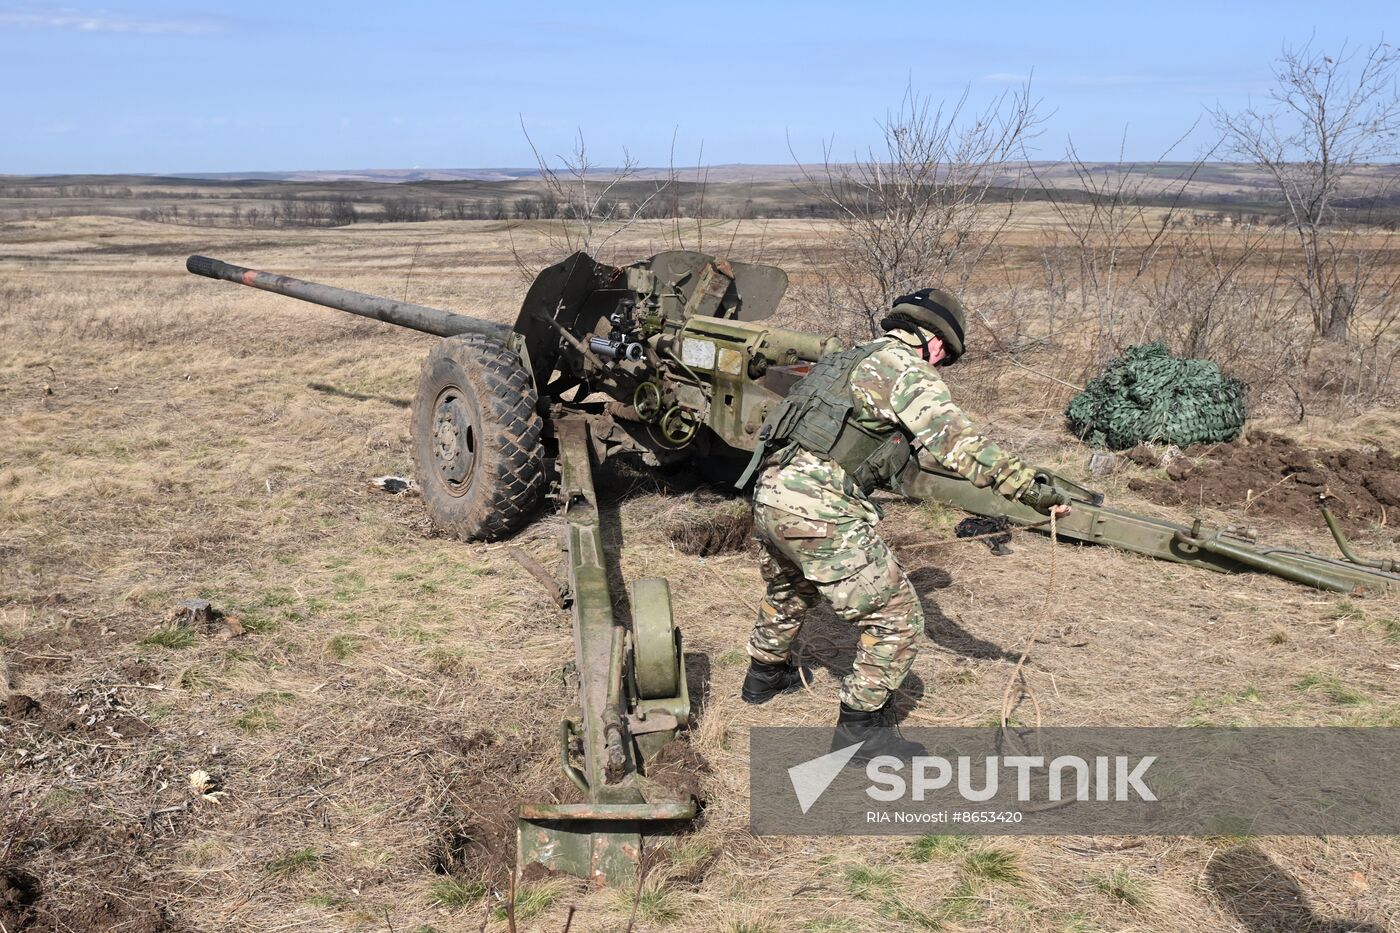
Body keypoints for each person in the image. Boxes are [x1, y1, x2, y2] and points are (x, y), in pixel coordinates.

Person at [735, 287, 1072, 761]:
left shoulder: (846, 359)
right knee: (898, 619)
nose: (941, 365)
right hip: (816, 504)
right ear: (934, 340)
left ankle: (764, 676)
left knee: (791, 586)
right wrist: (1031, 490)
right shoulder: (905, 370)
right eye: (945, 356)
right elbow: (960, 444)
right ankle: (860, 734)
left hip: (770, 492)